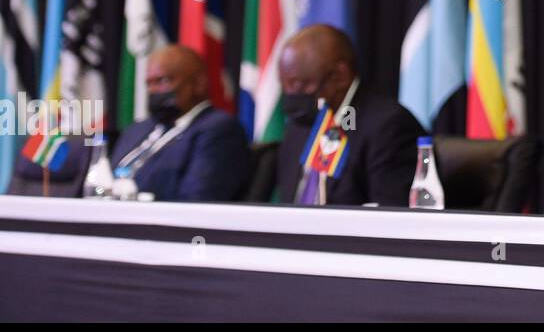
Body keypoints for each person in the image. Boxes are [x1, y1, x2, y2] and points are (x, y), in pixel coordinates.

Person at [276, 24, 423, 206]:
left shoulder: (389, 127)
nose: (291, 95)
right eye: (285, 85)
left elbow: (390, 217)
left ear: (340, 76)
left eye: (299, 85)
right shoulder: (301, 124)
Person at [109, 44, 250, 201]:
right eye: (149, 84)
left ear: (199, 83)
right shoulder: (138, 129)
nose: (153, 90)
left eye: (163, 81)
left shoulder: (219, 130)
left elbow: (197, 199)